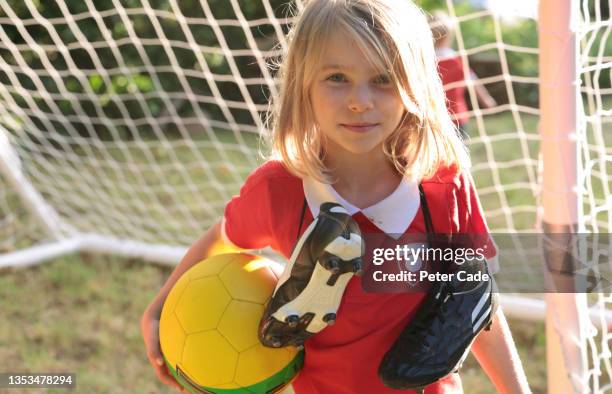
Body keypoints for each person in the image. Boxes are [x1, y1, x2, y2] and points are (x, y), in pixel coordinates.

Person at [141, 0, 530, 393]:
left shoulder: (443, 188)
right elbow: (224, 236)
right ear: (303, 85)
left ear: (415, 86)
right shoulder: (280, 189)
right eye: (337, 77)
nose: (360, 100)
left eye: (382, 78)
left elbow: (475, 304)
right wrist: (160, 307)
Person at [429, 10, 497, 140]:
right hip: (456, 117)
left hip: (433, 118)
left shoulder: (424, 59)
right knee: (459, 154)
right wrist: (487, 100)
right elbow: (473, 81)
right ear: (450, 35)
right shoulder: (455, 59)